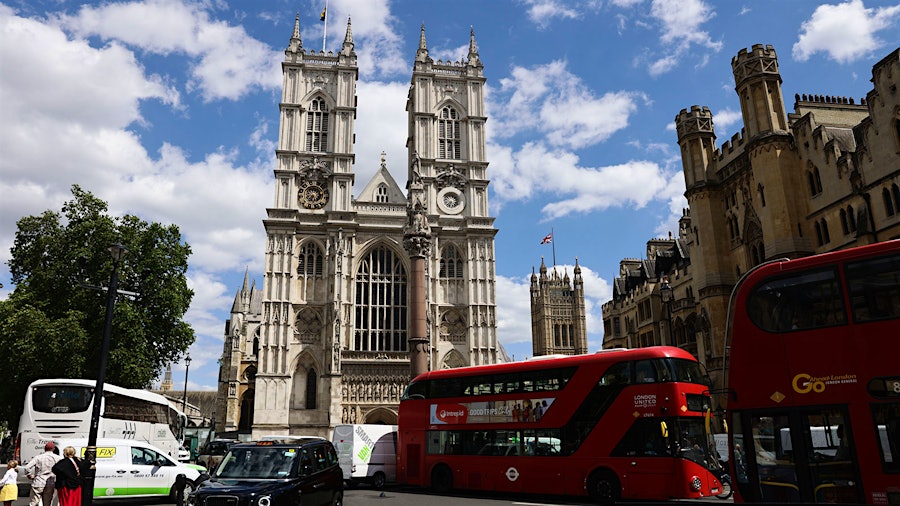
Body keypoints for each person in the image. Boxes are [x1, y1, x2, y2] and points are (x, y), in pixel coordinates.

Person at [24, 441, 62, 506]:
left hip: (38, 481)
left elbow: (27, 467)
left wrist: (29, 475)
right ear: (53, 449)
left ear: (44, 449)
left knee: (34, 502)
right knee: (47, 503)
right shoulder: (58, 458)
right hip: (50, 482)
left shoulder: (38, 457)